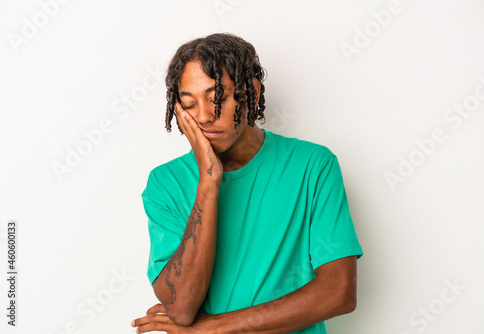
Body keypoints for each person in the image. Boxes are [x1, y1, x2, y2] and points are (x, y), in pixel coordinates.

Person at [131, 33, 363, 333]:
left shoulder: (312, 165)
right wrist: (208, 183)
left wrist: (212, 329)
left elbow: (338, 293)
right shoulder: (165, 183)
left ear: (250, 91)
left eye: (217, 99)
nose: (203, 117)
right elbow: (181, 307)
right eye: (188, 104)